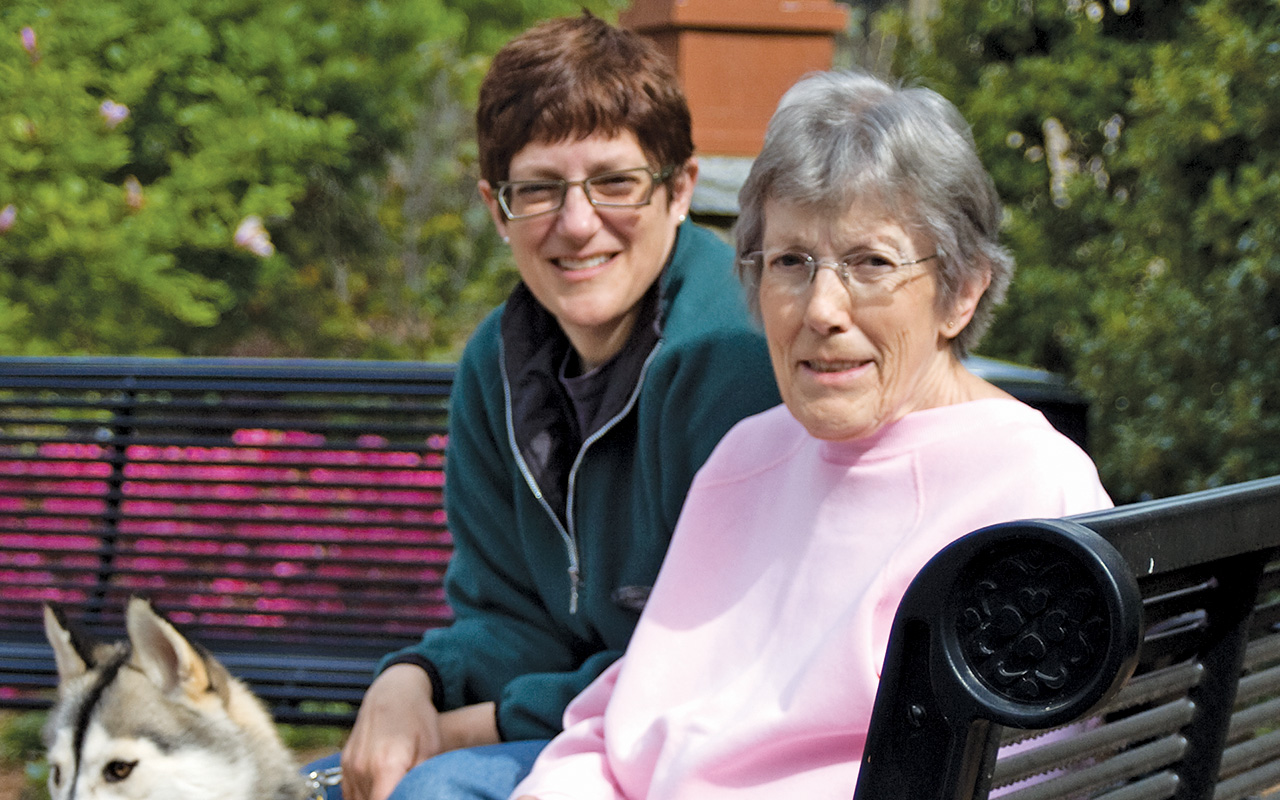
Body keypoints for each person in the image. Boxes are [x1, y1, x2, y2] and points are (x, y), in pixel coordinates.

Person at [510, 69, 1113, 800]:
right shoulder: (746, 456)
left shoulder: (1027, 488)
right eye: (792, 262)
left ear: (961, 290)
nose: (821, 309)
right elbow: (629, 712)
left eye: (871, 263)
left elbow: (1028, 775)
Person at [310, 12, 781, 800]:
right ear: (497, 209)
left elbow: (712, 657)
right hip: (576, 732)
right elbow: (508, 620)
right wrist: (414, 681)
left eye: (615, 182)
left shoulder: (733, 357)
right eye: (537, 189)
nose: (576, 223)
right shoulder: (496, 364)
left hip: (709, 753)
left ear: (680, 190)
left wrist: (474, 725)